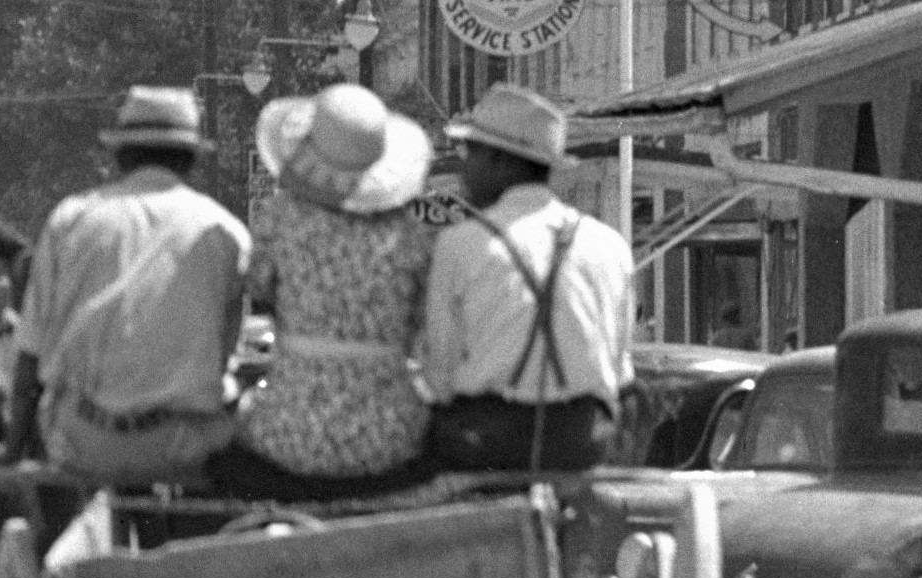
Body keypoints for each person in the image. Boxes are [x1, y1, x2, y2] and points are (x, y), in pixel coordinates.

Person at [10, 87, 251, 490]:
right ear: (190, 158)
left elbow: (30, 355)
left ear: (121, 154)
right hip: (180, 445)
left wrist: (12, 450)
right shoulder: (227, 233)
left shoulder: (71, 219)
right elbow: (224, 356)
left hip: (84, 441)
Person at [412, 82, 635, 473]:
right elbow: (618, 368)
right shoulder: (610, 245)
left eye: (472, 152)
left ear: (500, 160)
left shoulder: (460, 244)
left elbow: (440, 374)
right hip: (583, 444)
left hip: (487, 445)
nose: (464, 167)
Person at [235, 79, 436, 490]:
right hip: (391, 435)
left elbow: (260, 290)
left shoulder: (280, 218)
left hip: (291, 431)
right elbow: (418, 321)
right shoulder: (410, 234)